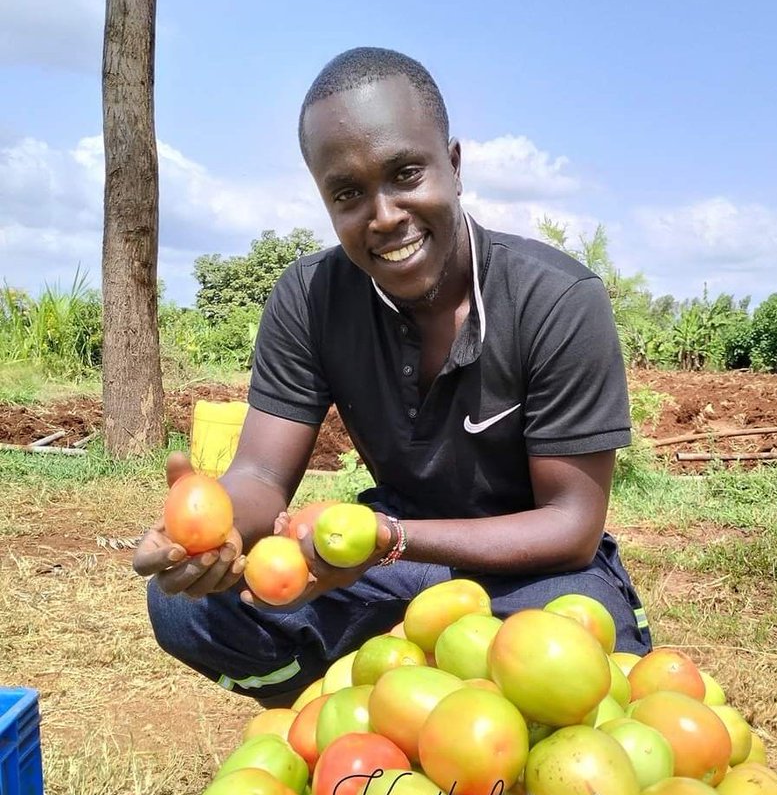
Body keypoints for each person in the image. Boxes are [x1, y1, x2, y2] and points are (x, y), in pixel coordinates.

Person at [134, 46, 652, 708]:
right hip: (388, 558)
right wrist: (217, 528)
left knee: (587, 658)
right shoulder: (310, 298)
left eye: (405, 172)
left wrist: (394, 541)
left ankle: (438, 711)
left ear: (454, 165)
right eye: (347, 193)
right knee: (189, 612)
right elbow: (262, 476)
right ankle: (350, 720)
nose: (382, 215)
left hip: (530, 569)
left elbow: (571, 523)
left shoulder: (555, 299)